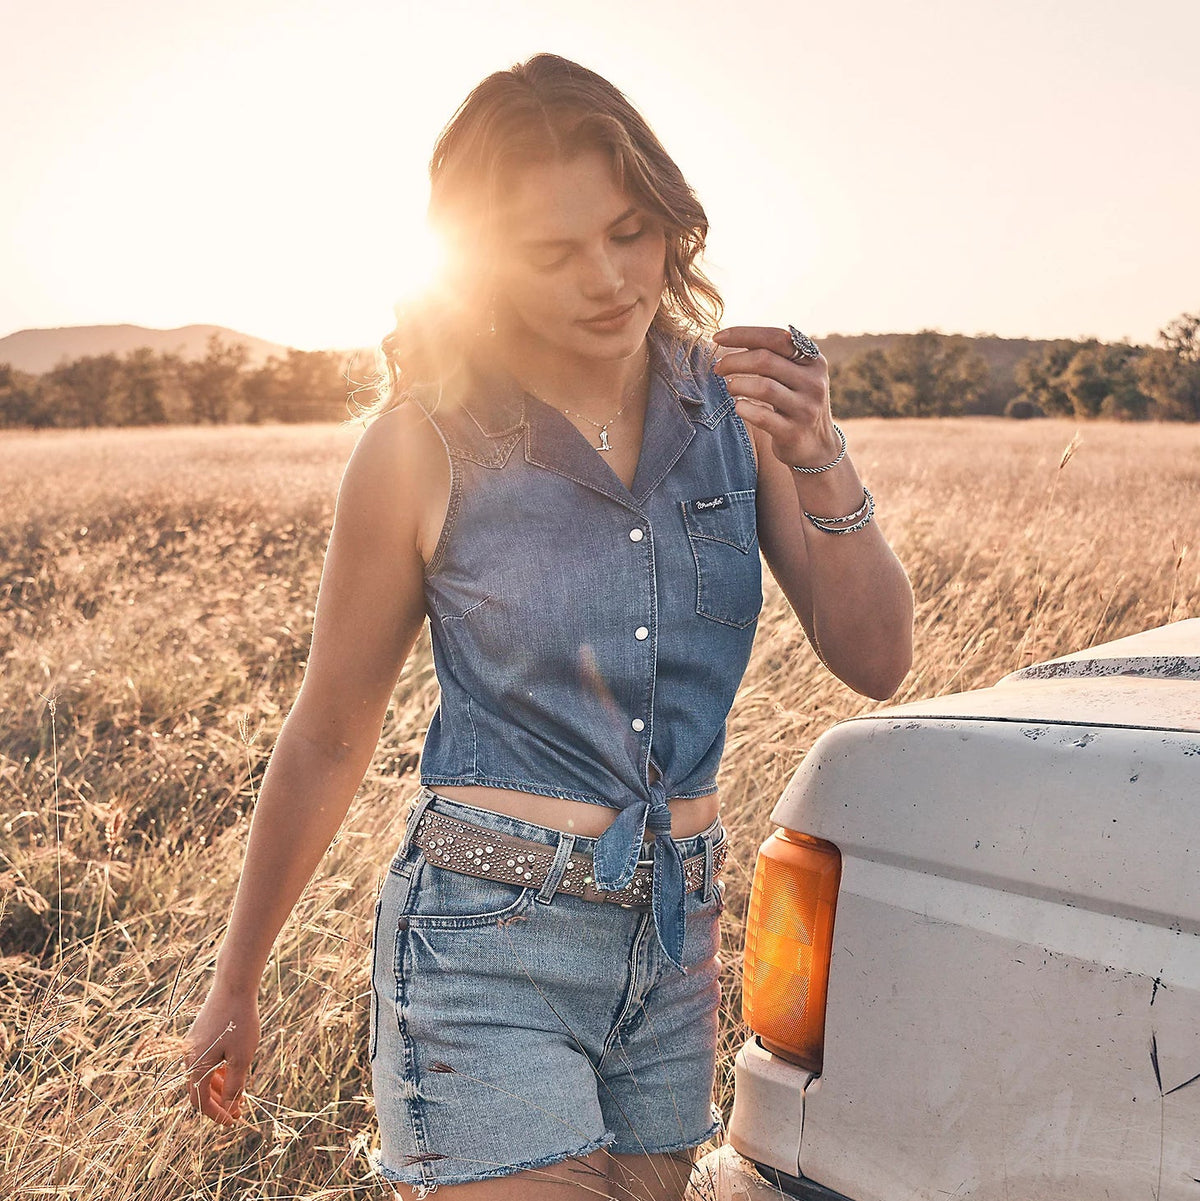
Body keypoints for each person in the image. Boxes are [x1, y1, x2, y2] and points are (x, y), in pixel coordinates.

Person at [183, 52, 913, 1201]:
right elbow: (328, 730)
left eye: (630, 231)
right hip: (484, 948)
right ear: (479, 265)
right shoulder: (421, 446)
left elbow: (876, 658)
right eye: (552, 253)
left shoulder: (739, 409)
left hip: (674, 951)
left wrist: (822, 456)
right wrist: (238, 977)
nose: (610, 278)